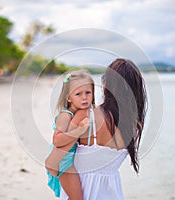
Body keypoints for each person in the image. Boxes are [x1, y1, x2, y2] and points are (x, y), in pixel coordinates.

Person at [60, 58, 147, 200]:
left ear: (109, 84)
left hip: (82, 194)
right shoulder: (136, 127)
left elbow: (61, 163)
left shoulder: (87, 115)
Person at [45, 70, 95, 200]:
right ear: (69, 97)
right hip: (64, 163)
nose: (84, 97)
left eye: (88, 93)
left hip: (67, 160)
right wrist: (79, 130)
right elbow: (57, 140)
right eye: (78, 94)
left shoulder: (83, 112)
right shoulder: (65, 115)